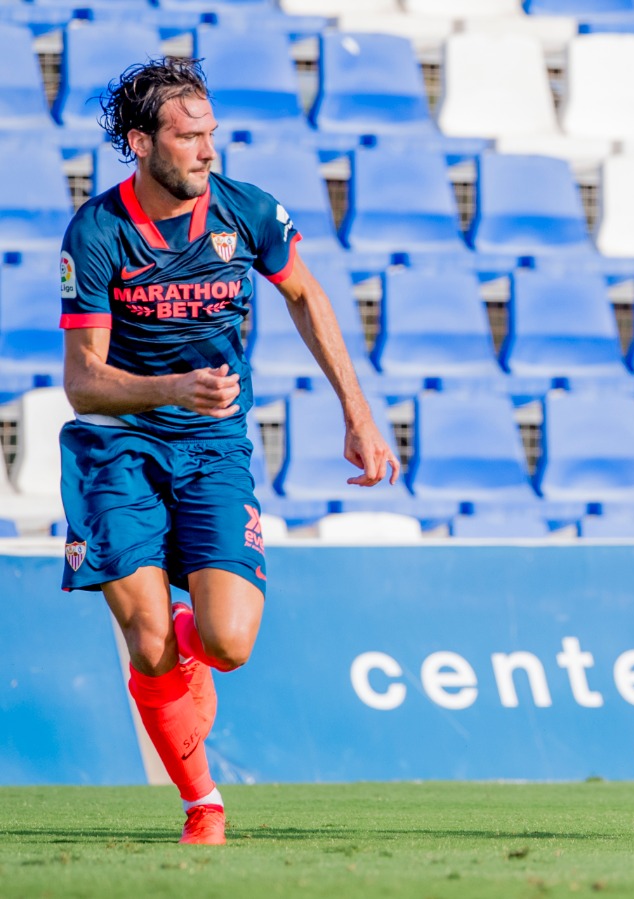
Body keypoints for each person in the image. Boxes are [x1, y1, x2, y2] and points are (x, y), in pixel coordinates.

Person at [58, 58, 398, 845]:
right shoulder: (98, 231)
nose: (209, 151)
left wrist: (357, 412)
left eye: (212, 134)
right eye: (189, 137)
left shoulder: (248, 212)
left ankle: (189, 634)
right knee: (144, 641)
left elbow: (307, 295)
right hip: (119, 448)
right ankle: (202, 801)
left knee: (229, 644)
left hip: (213, 447)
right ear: (141, 143)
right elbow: (83, 383)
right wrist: (172, 387)